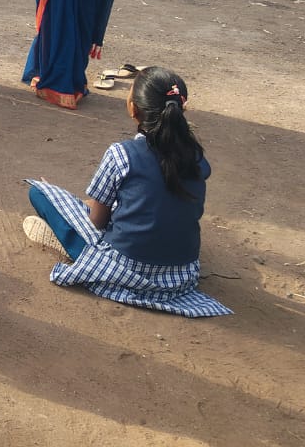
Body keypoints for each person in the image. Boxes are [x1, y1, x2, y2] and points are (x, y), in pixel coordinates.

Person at [22, 66, 231, 317]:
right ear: (181, 109)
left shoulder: (121, 154)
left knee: (39, 194)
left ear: (133, 109)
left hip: (123, 269)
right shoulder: (196, 155)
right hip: (181, 274)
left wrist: (60, 198)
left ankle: (68, 246)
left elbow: (97, 222)